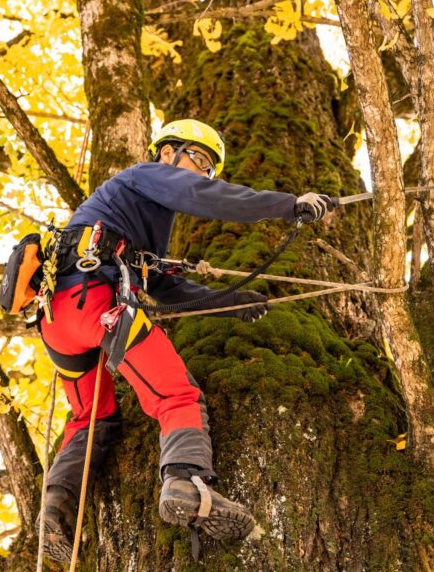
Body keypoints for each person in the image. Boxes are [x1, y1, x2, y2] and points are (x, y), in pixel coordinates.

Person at [38, 119, 334, 562]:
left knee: (92, 416)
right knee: (176, 394)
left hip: (60, 317)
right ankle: (187, 484)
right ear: (166, 152)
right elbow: (206, 197)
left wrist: (228, 302)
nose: (202, 171)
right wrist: (290, 205)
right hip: (95, 302)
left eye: (209, 166)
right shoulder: (143, 176)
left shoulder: (138, 218)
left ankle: (55, 510)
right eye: (197, 158)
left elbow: (162, 287)